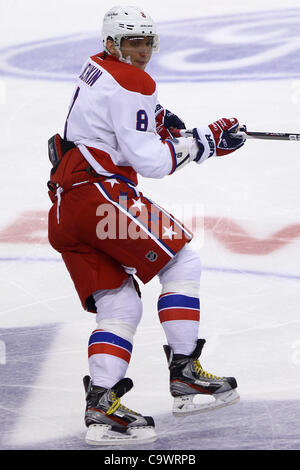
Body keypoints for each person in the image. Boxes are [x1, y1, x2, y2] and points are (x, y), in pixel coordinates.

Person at [47, 5, 245, 445]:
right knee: (182, 263)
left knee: (119, 307)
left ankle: (102, 407)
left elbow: (109, 116)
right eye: (131, 43)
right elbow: (151, 161)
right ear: (112, 42)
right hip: (98, 197)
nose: (141, 52)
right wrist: (205, 142)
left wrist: (160, 119)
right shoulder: (135, 81)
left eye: (146, 42)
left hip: (65, 208)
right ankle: (186, 374)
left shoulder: (95, 66)